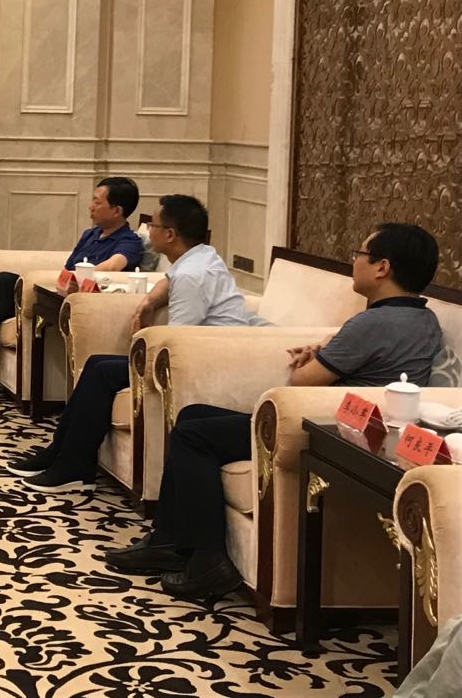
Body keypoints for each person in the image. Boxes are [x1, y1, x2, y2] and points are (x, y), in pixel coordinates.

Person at [106, 222, 443, 605]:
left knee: (191, 435)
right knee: (193, 416)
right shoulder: (424, 320)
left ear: (382, 267)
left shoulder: (372, 322)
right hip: (343, 422)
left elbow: (301, 381)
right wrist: (326, 348)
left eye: (360, 254)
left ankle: (208, 560)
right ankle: (169, 540)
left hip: (321, 428)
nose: (354, 261)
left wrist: (319, 354)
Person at [5, 194, 267, 491]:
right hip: (202, 351)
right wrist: (149, 302)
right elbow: (170, 280)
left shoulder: (193, 275)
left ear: (170, 234)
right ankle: (60, 454)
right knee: (98, 364)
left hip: (206, 361)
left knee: (102, 371)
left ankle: (73, 464)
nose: (148, 231)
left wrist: (145, 338)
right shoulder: (200, 257)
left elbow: (178, 338)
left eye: (153, 225)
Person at [0, 176, 146, 395]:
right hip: (59, 293)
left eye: (97, 202)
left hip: (83, 302)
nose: (91, 206)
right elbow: (66, 267)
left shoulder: (129, 241)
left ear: (116, 211)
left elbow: (112, 266)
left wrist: (79, 276)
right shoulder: (90, 234)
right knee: (3, 282)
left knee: (3, 290)